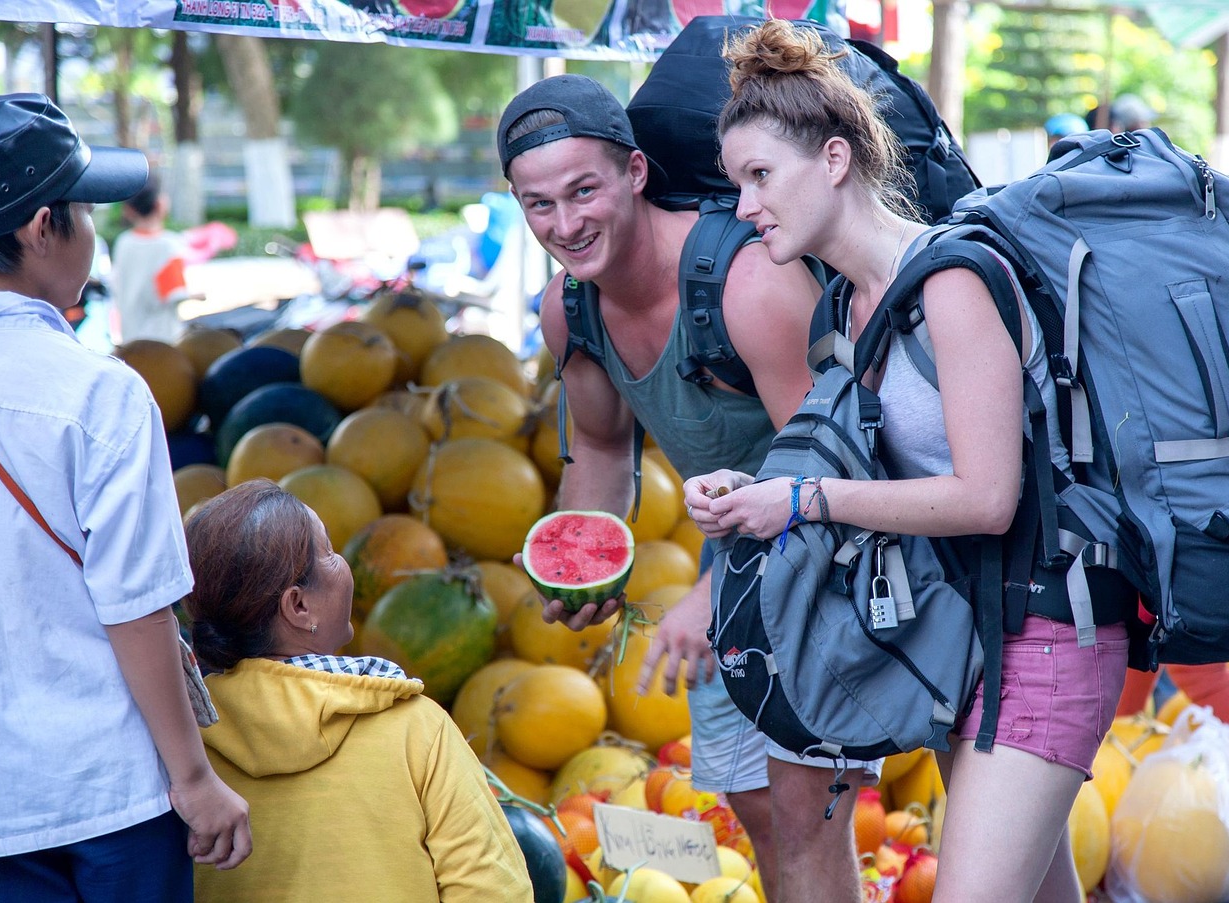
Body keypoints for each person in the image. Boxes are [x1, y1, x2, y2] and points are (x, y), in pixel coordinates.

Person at [685, 20, 1130, 902]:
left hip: (1046, 629)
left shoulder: (952, 284)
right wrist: (757, 491)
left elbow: (987, 496)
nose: (744, 206)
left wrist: (805, 501)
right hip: (967, 639)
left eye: (761, 176)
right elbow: (879, 472)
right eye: (738, 182)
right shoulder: (844, 308)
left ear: (837, 159)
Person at [497, 74, 877, 902]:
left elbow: (830, 452)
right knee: (756, 804)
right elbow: (598, 444)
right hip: (731, 551)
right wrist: (579, 552)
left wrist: (717, 587)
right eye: (538, 205)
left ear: (635, 173)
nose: (564, 225)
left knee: (807, 813)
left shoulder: (748, 287)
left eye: (583, 191)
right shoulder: (570, 308)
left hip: (834, 545)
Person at [0, 92, 251, 900]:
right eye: (84, 208)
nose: (95, 230)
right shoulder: (101, 393)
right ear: (40, 228)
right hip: (104, 800)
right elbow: (136, 605)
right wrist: (195, 777)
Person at [180, 480, 533, 903]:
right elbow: (491, 890)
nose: (343, 561)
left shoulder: (181, 744)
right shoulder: (416, 728)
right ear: (298, 606)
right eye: (328, 552)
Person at [111, 173, 192, 343]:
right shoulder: (170, 244)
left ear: (129, 210)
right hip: (162, 341)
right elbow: (174, 293)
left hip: (130, 338)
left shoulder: (123, 242)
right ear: (160, 204)